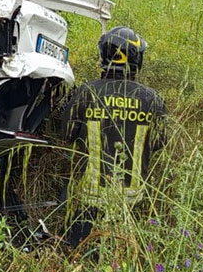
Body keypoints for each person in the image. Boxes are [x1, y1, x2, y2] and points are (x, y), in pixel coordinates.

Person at [60, 26, 166, 248]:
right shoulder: (152, 99)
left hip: (89, 196)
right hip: (132, 200)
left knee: (79, 252)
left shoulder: (87, 92)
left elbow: (67, 134)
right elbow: (159, 142)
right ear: (137, 59)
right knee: (121, 255)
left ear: (104, 57)